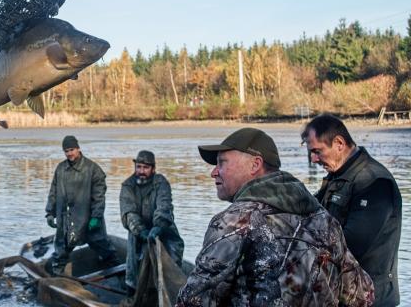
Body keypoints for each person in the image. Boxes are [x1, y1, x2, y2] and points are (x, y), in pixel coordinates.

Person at [176, 127, 374, 306]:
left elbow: (194, 301)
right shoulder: (324, 219)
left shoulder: (233, 222)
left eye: (221, 163)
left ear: (255, 165)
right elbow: (362, 295)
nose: (214, 172)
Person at [303, 114, 402, 306]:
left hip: (371, 298)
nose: (313, 159)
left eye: (317, 151)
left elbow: (353, 243)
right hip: (342, 294)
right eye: (310, 153)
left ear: (339, 143)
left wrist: (302, 251)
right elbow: (309, 214)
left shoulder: (374, 181)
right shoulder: (337, 176)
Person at [44, 135, 117, 274]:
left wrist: (96, 217)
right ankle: (57, 281)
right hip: (66, 220)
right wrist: (49, 213)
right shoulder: (60, 169)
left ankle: (118, 276)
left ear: (78, 148)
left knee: (105, 248)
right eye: (66, 151)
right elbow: (53, 192)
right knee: (60, 253)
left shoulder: (93, 169)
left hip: (89, 220)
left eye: (72, 149)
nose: (69, 154)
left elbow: (99, 197)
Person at [119, 150, 184, 293]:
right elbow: (128, 212)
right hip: (138, 233)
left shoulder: (161, 182)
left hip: (163, 230)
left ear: (153, 169)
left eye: (146, 167)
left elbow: (164, 206)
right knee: (134, 269)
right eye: (139, 167)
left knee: (172, 264)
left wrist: (159, 226)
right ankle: (134, 291)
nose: (141, 171)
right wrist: (141, 230)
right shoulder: (127, 186)